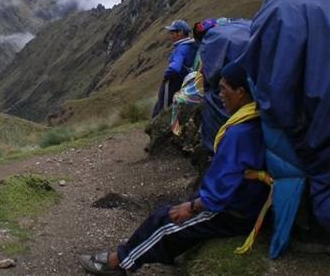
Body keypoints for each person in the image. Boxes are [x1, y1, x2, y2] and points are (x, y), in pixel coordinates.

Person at [80, 62, 269, 275]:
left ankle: (119, 262)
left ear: (241, 92)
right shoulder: (254, 119)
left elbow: (220, 190)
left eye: (224, 89)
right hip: (248, 200)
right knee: (179, 209)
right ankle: (167, 251)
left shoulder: (239, 133)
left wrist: (193, 207)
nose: (219, 94)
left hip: (235, 211)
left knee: (164, 219)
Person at [151, 20, 197, 118]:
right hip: (184, 83)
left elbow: (175, 68)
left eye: (172, 32)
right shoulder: (191, 46)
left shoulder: (181, 49)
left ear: (179, 33)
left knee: (162, 111)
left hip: (173, 83)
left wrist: (166, 74)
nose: (170, 35)